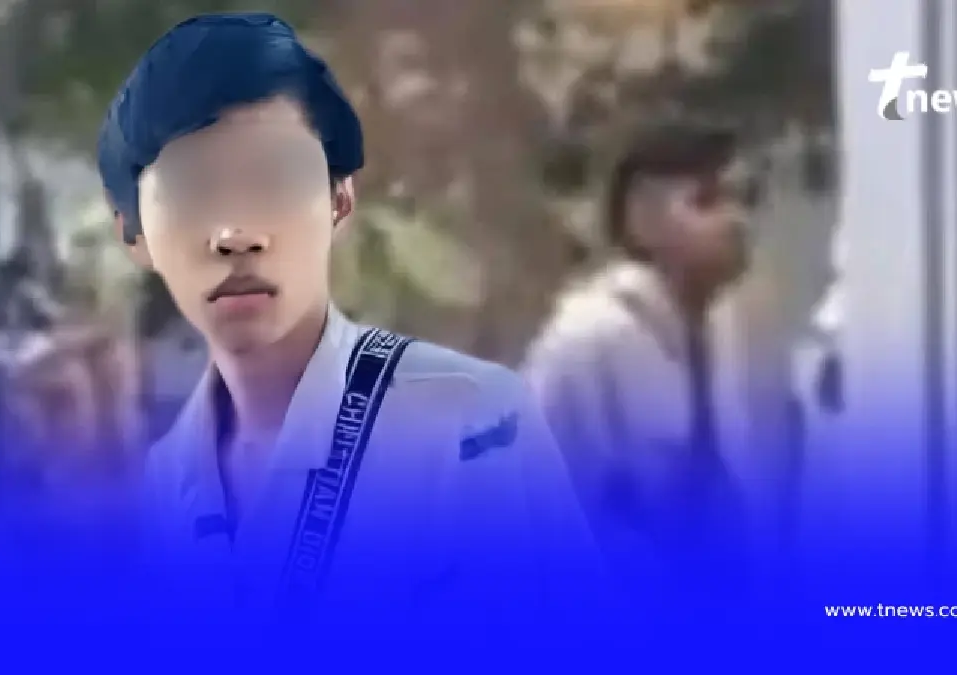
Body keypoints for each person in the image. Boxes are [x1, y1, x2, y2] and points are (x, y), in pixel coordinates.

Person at [96, 13, 601, 620]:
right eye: (190, 191)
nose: (235, 234)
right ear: (135, 236)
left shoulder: (471, 422)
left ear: (339, 202)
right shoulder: (171, 477)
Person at [521, 122, 801, 604]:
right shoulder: (589, 338)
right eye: (707, 201)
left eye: (746, 198)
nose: (737, 220)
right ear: (643, 220)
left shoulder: (723, 328)